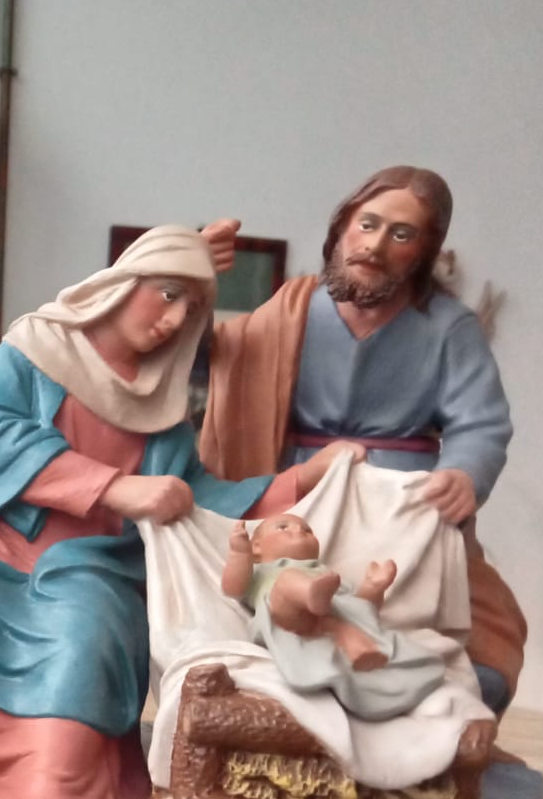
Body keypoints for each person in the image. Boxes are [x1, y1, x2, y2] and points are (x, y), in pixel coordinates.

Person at [0, 226, 359, 799]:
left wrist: (301, 480)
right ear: (123, 284)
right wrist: (113, 486)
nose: (173, 320)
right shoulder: (33, 350)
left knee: (82, 628)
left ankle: (50, 788)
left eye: (190, 311)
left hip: (93, 560)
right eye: (167, 294)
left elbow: (198, 498)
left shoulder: (159, 403)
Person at [199, 165, 525, 712]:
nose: (375, 245)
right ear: (342, 228)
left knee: (480, 650)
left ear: (425, 250)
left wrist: (464, 473)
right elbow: (217, 358)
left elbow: (480, 422)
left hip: (401, 505)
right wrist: (191, 277)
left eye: (401, 234)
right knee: (244, 609)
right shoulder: (293, 309)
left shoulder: (448, 327)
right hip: (299, 493)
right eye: (367, 224)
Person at [222, 514, 445, 718]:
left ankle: (362, 661)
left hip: (334, 617)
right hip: (288, 617)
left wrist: (373, 588)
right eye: (283, 527)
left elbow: (362, 609)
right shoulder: (261, 572)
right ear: (256, 548)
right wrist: (240, 553)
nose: (299, 530)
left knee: (349, 615)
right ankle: (308, 595)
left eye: (307, 530)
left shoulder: (327, 576)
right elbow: (233, 588)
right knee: (288, 580)